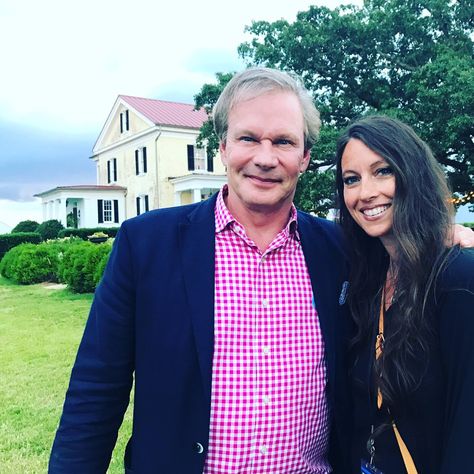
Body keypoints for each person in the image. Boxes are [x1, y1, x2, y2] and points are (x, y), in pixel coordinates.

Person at [49, 67, 353, 473]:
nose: (265, 158)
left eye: (283, 141)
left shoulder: (339, 250)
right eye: (248, 138)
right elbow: (96, 389)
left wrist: (453, 242)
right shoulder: (146, 245)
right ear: (224, 147)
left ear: (305, 157)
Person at [334, 115, 474, 473]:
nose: (365, 193)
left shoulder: (456, 279)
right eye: (352, 179)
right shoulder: (367, 281)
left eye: (382, 171)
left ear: (412, 174)